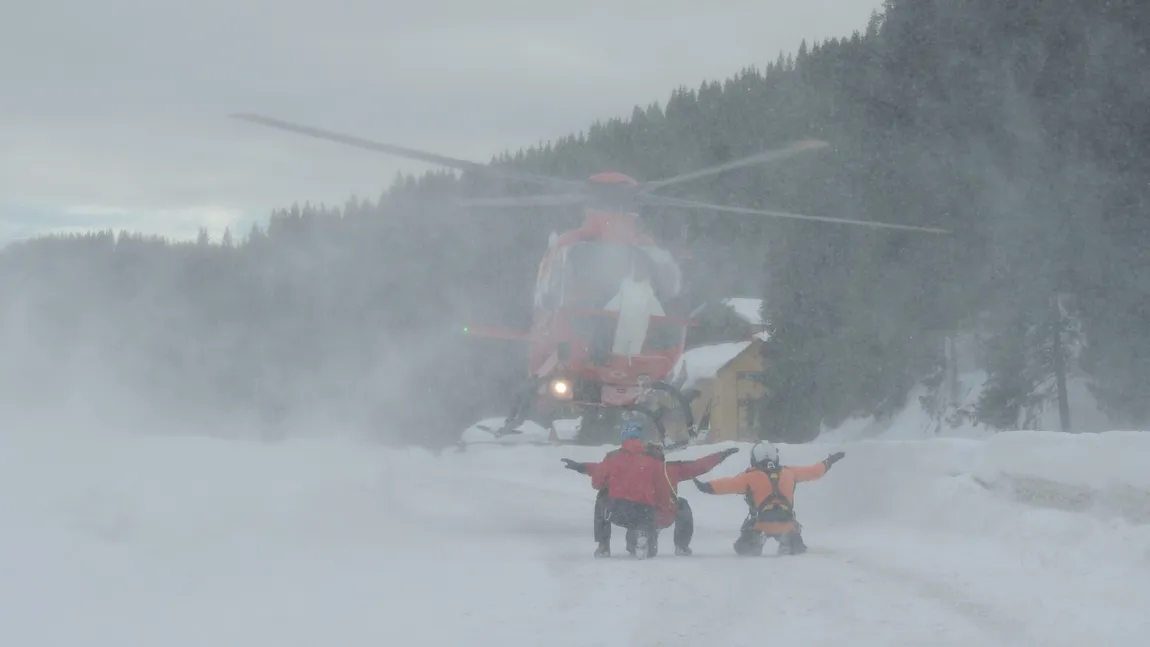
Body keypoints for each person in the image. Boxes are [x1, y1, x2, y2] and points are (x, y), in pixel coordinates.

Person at [564, 441, 739, 557]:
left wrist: (580, 467)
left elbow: (600, 469)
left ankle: (604, 545)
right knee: (682, 504)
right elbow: (698, 466)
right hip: (662, 515)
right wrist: (721, 455)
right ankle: (681, 546)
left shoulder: (636, 468)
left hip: (636, 514)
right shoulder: (672, 468)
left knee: (607, 502)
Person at [692, 441, 845, 556]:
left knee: (741, 549)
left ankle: (756, 541)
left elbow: (727, 484)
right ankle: (788, 541)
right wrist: (829, 461)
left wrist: (705, 486)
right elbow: (814, 472)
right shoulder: (789, 472)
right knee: (798, 548)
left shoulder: (750, 477)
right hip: (787, 523)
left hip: (760, 523)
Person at [558, 420, 670, 559]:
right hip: (645, 512)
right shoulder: (654, 460)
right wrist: (661, 514)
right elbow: (663, 490)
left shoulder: (613, 457)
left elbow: (598, 482)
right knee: (646, 547)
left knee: (602, 499)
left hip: (620, 510)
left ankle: (603, 546)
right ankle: (642, 534)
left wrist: (582, 468)